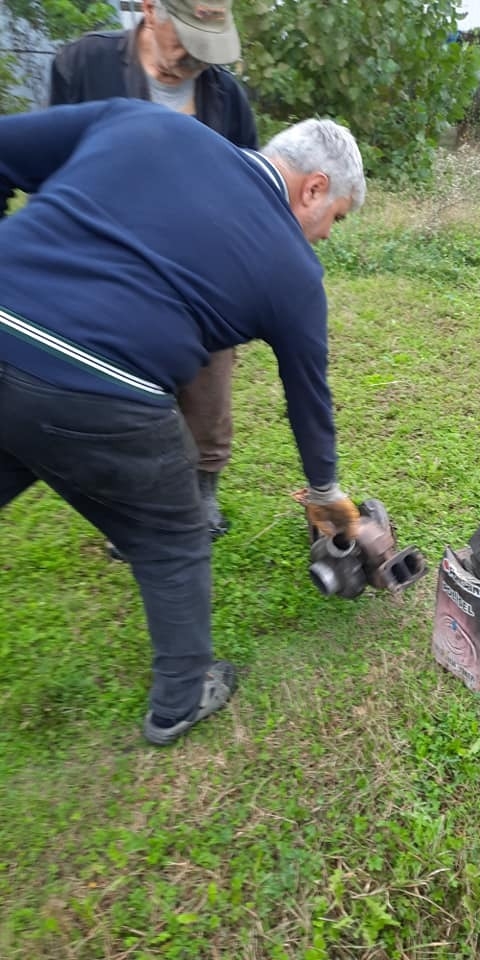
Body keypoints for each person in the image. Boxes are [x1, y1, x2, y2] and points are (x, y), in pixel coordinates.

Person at [0, 98, 366, 745]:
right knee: (173, 534)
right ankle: (182, 695)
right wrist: (325, 492)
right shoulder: (295, 272)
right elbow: (309, 398)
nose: (325, 238)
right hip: (101, 388)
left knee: (25, 432)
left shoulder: (146, 121)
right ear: (313, 187)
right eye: (331, 219)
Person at [49, 0, 259, 540]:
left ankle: (201, 492)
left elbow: (249, 190)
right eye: (188, 38)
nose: (196, 58)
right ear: (148, 8)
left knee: (209, 399)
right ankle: (127, 514)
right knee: (120, 405)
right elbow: (52, 167)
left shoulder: (226, 96)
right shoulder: (82, 67)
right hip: (110, 276)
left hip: (200, 280)